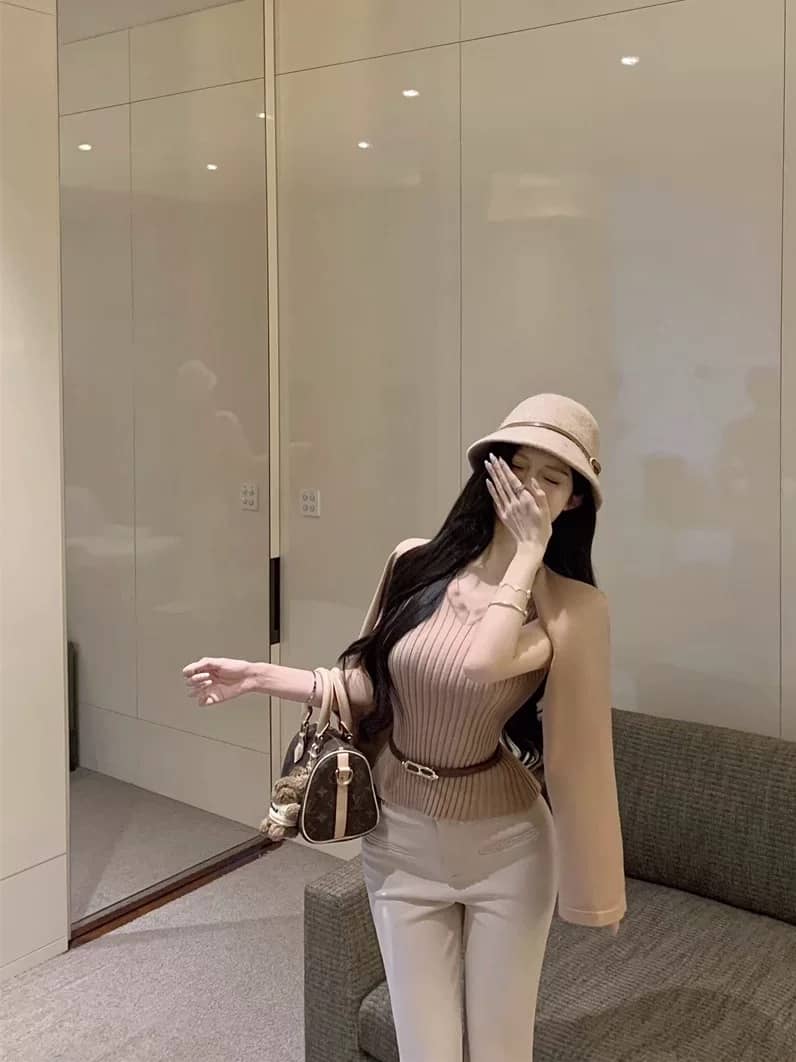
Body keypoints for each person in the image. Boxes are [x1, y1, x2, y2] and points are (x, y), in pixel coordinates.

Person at [183, 393, 626, 1062]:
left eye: (552, 478)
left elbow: (492, 674)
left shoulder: (571, 609)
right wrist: (258, 676)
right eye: (517, 466)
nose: (529, 487)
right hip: (399, 844)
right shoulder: (414, 564)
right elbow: (370, 688)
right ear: (490, 471)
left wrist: (528, 552)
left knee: (501, 1051)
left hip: (508, 852)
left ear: (573, 501)